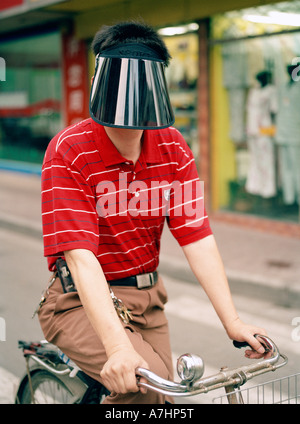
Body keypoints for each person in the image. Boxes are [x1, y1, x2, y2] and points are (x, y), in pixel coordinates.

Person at [38, 21, 267, 404]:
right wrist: (116, 346)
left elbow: (197, 236)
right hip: (76, 300)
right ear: (101, 81)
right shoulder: (68, 151)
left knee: (166, 397)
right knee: (146, 386)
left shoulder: (173, 147)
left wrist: (233, 321)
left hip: (148, 299)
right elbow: (80, 257)